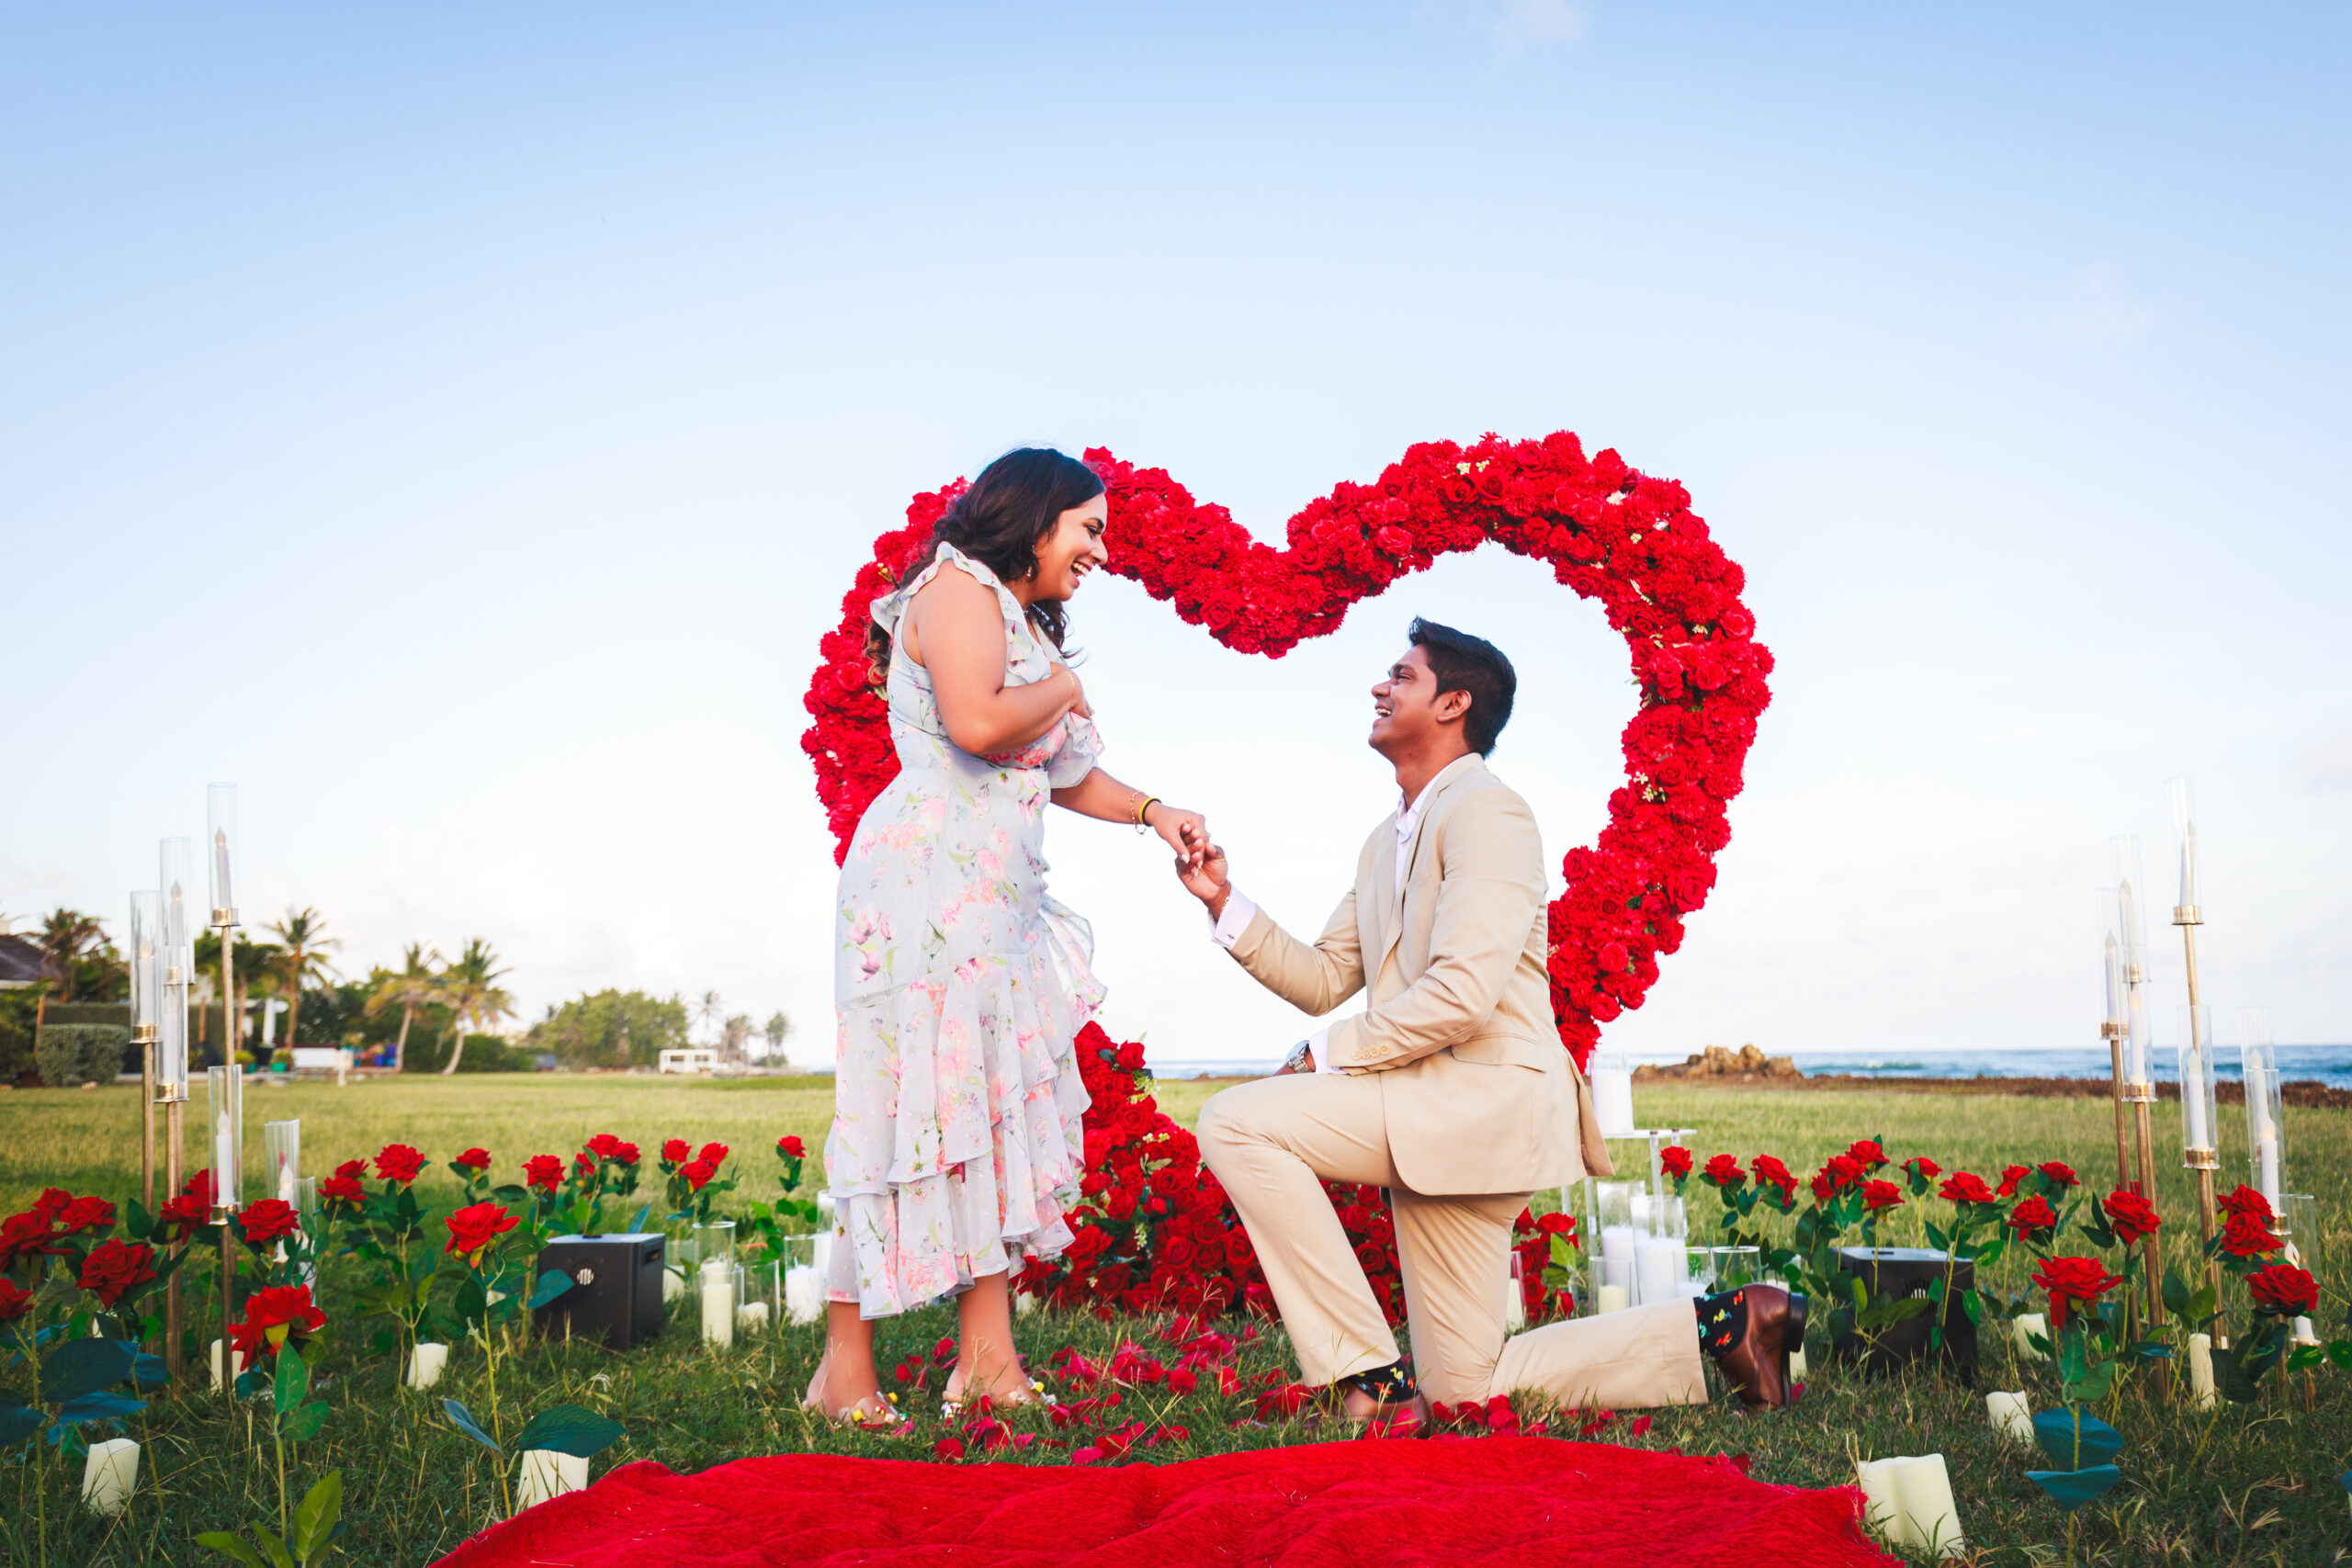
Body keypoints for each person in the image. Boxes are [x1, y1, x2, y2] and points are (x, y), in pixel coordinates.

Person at [1177, 617, 1802, 1423]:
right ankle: (1728, 1323)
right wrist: (1224, 902)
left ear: (1454, 704)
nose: (1379, 686)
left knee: (1236, 1121)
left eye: (1402, 675)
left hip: (1480, 1103)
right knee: (1466, 1390)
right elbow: (1326, 974)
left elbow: (1461, 993)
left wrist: (1320, 1054)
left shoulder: (1489, 812)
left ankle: (1370, 1380)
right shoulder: (1382, 842)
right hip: (1429, 1111)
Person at [808, 447, 1209, 1424]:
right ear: (1035, 517)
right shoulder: (957, 588)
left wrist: (1154, 811)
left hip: (990, 897)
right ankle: (842, 1372)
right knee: (901, 1107)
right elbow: (979, 725)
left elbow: (1059, 773)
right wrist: (1064, 686)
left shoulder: (1016, 619)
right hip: (924, 891)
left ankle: (987, 1362)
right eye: (1089, 529)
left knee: (980, 1108)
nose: (1100, 552)